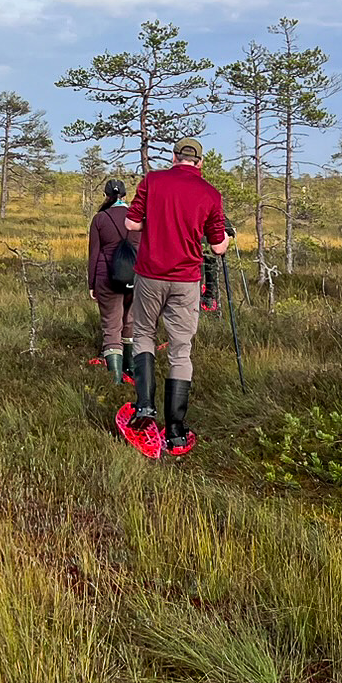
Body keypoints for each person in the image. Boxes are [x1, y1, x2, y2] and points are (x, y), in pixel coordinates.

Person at [117, 138, 230, 459]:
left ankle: (145, 406)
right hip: (186, 280)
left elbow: (131, 222)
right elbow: (218, 246)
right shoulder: (210, 194)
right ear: (200, 162)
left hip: (150, 274)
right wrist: (223, 236)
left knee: (144, 337)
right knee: (181, 350)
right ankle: (177, 432)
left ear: (174, 157)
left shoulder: (153, 181)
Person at [86, 178, 136, 385]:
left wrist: (92, 284)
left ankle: (115, 381)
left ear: (106, 196)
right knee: (131, 322)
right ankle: (132, 370)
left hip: (107, 278)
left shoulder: (100, 219)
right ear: (125, 195)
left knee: (111, 327)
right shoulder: (138, 217)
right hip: (137, 276)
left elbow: (94, 254)